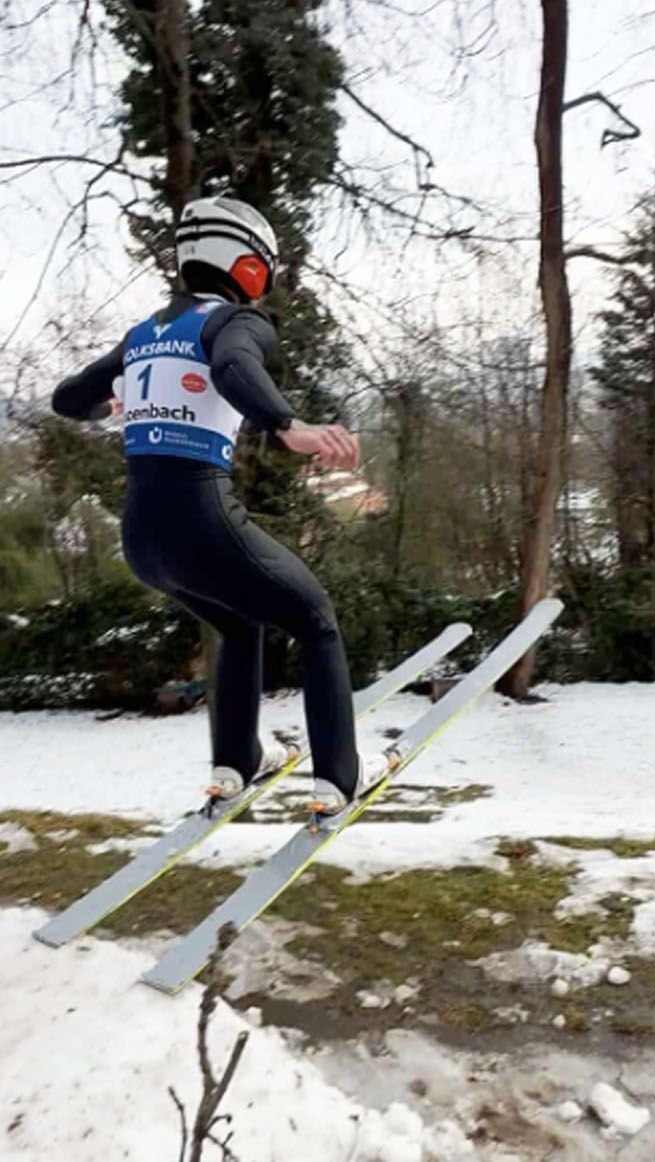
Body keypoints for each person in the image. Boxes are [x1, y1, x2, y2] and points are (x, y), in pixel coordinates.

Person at [50, 195, 382, 817]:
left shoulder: (142, 335)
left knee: (238, 620)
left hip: (142, 542)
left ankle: (236, 762)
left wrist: (110, 404)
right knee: (315, 618)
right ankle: (339, 777)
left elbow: (68, 399)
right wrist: (289, 426)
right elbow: (231, 368)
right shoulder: (233, 322)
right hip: (201, 522)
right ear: (249, 265)